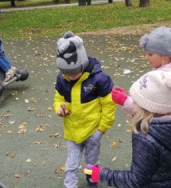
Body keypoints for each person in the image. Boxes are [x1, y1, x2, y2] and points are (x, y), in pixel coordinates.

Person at [83, 70, 171, 188]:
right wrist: (124, 100)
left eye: (135, 101)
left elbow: (135, 180)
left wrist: (101, 174)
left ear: (146, 109)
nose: (131, 102)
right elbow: (148, 111)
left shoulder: (147, 138)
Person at [53, 31, 116, 188]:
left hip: (92, 131)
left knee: (92, 163)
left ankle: (92, 182)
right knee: (71, 164)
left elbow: (109, 104)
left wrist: (101, 129)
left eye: (74, 72)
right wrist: (59, 109)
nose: (70, 76)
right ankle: (70, 185)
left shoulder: (99, 79)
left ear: (82, 63)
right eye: (66, 73)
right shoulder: (62, 78)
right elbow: (58, 99)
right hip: (72, 131)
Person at [112, 26, 171, 113]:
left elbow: (148, 111)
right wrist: (133, 97)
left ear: (164, 55)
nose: (146, 57)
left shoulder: (165, 80)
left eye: (150, 54)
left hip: (158, 127)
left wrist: (125, 101)